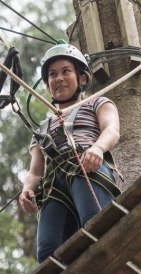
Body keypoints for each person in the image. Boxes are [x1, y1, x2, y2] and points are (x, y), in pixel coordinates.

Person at [19, 43, 121, 262]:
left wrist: (97, 148)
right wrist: (28, 189)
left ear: (82, 78)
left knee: (95, 223)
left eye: (66, 71)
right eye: (53, 75)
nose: (59, 78)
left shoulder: (97, 102)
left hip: (85, 165)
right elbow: (36, 171)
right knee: (47, 251)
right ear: (47, 86)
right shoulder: (42, 129)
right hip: (54, 182)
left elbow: (111, 130)